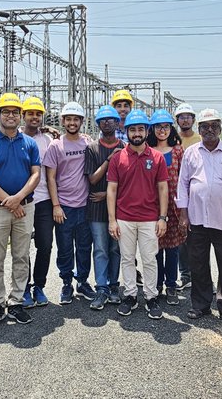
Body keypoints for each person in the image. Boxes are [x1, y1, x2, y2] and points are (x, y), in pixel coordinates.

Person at [0, 93, 42, 329]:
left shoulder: (30, 143)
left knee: (21, 257)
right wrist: (9, 201)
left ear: (20, 116)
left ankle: (16, 302)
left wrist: (19, 199)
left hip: (25, 208)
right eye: (6, 111)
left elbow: (36, 174)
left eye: (15, 112)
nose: (11, 115)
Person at [177, 108, 222, 327]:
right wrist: (183, 215)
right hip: (197, 219)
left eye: (214, 126)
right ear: (199, 129)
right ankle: (201, 304)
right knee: (198, 263)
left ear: (220, 128)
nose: (209, 130)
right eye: (205, 127)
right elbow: (183, 184)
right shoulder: (191, 153)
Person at [107, 111, 169, 319]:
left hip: (150, 219)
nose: (136, 133)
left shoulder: (157, 157)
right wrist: (112, 220)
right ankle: (131, 295)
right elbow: (112, 190)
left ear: (146, 131)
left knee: (150, 259)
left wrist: (162, 217)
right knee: (127, 259)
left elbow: (162, 189)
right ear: (126, 132)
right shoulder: (118, 158)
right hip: (124, 218)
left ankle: (151, 297)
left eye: (140, 129)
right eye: (132, 129)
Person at [42, 102, 96, 305]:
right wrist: (56, 205)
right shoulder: (56, 146)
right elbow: (51, 178)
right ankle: (66, 283)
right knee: (64, 248)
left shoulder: (88, 143)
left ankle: (82, 282)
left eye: (76, 119)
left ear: (81, 122)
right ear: (63, 121)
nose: (72, 123)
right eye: (69, 119)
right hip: (64, 206)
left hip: (85, 206)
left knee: (84, 247)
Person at [85, 105, 124, 310]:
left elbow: (129, 183)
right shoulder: (92, 149)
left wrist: (109, 195)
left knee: (116, 248)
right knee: (100, 249)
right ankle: (101, 288)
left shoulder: (126, 148)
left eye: (111, 120)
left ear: (118, 123)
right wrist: (109, 159)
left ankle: (114, 285)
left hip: (119, 209)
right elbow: (92, 179)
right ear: (98, 124)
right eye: (103, 120)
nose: (107, 123)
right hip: (96, 210)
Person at [147, 109, 186, 305]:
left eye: (165, 127)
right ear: (152, 129)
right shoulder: (147, 150)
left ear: (171, 129)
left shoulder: (178, 150)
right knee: (155, 248)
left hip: (174, 206)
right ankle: (157, 284)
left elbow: (184, 178)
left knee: (172, 249)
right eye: (158, 127)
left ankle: (171, 285)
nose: (162, 131)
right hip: (152, 205)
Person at [21, 96, 55, 309]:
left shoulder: (48, 140)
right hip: (23, 200)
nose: (35, 117)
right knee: (22, 248)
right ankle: (23, 288)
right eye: (30, 113)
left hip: (44, 200)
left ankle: (39, 287)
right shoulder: (15, 137)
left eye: (38, 114)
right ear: (23, 116)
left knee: (44, 246)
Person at [173, 102, 198, 290]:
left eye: (188, 116)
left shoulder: (200, 139)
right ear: (177, 120)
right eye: (182, 117)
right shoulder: (173, 140)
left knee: (197, 238)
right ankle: (185, 275)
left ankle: (199, 275)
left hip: (196, 195)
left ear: (194, 120)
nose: (185, 119)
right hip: (177, 195)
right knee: (181, 237)